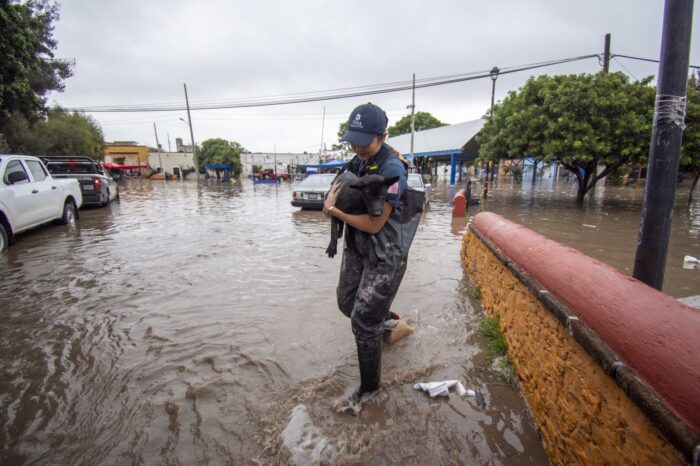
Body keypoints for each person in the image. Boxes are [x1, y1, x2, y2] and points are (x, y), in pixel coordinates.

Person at [323, 103, 423, 405]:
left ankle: (369, 391)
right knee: (346, 303)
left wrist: (333, 209)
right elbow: (336, 184)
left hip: (384, 253)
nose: (357, 147)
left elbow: (376, 222)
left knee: (363, 322)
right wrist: (333, 201)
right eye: (353, 140)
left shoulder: (393, 169)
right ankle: (388, 320)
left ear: (383, 136)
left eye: (364, 141)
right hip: (357, 247)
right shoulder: (359, 159)